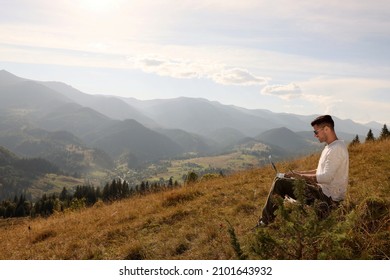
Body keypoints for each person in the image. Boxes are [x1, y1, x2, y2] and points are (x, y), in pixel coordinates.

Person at [257, 115, 349, 226]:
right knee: (281, 179)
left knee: (280, 183)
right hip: (322, 192)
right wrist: (297, 174)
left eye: (316, 132)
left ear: (326, 129)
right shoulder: (330, 147)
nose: (315, 135)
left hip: (327, 199)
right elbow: (319, 171)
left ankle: (264, 222)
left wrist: (300, 177)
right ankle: (268, 219)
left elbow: (325, 177)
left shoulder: (336, 149)